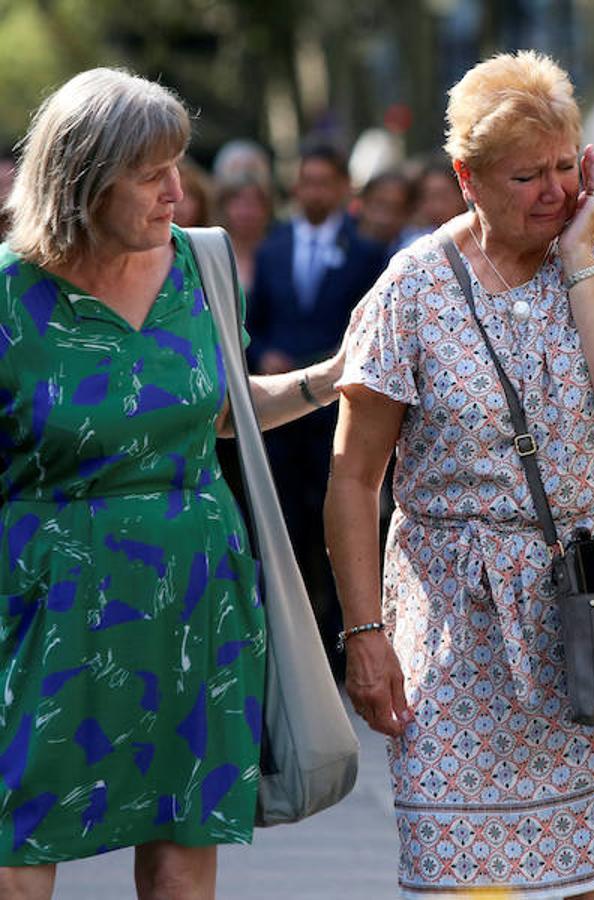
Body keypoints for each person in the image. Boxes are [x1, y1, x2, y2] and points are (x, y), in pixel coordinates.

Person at [324, 51, 594, 898]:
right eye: (526, 175)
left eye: (566, 167)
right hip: (459, 625)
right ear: (466, 178)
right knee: (464, 873)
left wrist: (581, 258)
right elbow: (355, 477)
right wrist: (365, 635)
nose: (554, 190)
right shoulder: (413, 287)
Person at [0, 67, 346, 900]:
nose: (177, 192)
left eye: (179, 166)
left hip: (197, 598)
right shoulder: (10, 295)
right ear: (83, 180)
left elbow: (219, 412)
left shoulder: (201, 266)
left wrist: (334, 377)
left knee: (183, 847)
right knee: (18, 846)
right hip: (48, 602)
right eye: (151, 173)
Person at [248, 143, 386, 672]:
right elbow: (253, 325)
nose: (315, 192)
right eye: (306, 181)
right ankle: (286, 653)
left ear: (343, 188)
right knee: (286, 532)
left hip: (335, 411)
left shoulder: (367, 251)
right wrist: (266, 355)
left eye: (325, 182)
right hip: (281, 423)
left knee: (337, 528)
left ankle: (338, 650)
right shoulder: (273, 247)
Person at [215, 172, 274, 294]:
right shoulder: (213, 252)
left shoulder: (277, 252)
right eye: (238, 204)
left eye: (253, 204)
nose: (246, 212)